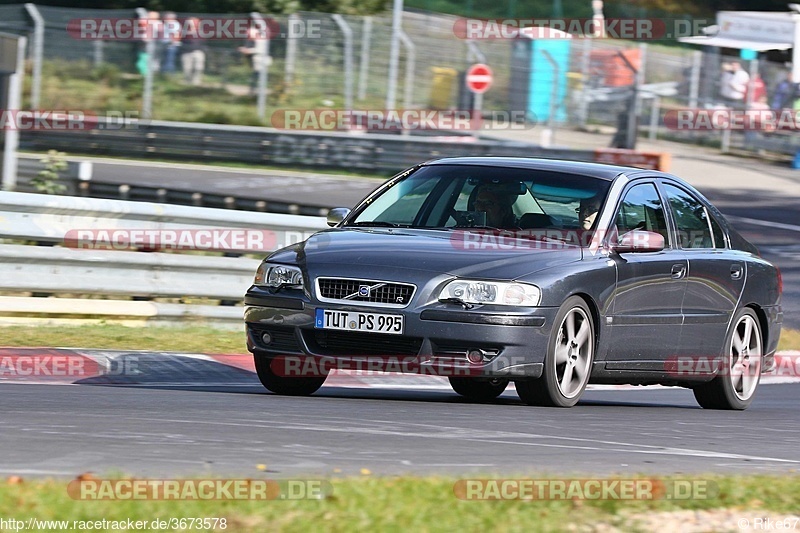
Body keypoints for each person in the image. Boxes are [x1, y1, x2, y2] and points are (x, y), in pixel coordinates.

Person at [238, 25, 269, 95]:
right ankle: (254, 93)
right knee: (255, 79)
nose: (249, 37)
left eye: (249, 35)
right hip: (258, 63)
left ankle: (256, 95)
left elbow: (258, 50)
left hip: (261, 63)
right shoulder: (257, 40)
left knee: (257, 79)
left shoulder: (261, 40)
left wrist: (246, 50)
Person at [181, 18, 206, 86]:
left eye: (194, 22)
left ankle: (196, 81)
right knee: (187, 68)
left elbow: (203, 42)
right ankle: (187, 81)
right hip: (187, 52)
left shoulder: (201, 32)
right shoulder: (185, 32)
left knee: (198, 68)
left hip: (198, 52)